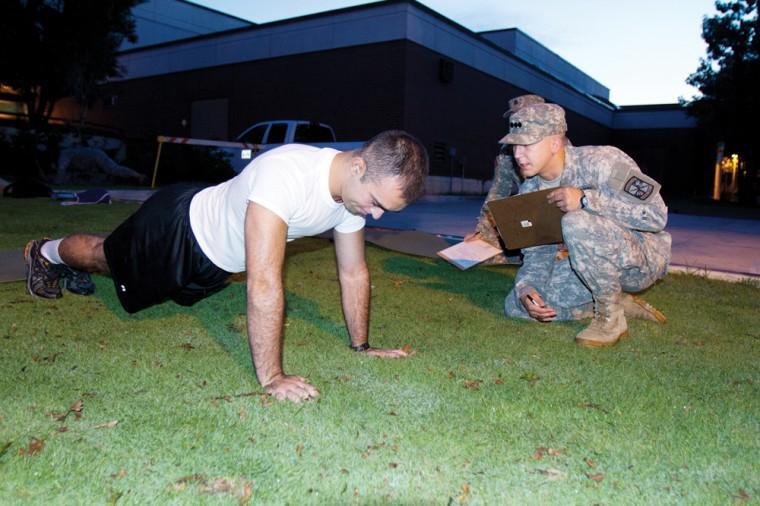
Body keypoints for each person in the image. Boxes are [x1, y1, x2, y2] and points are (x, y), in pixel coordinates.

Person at [24, 130, 429, 401]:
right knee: (105, 258)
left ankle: (62, 258)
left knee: (165, 291)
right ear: (358, 167)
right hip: (178, 232)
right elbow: (264, 283)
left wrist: (362, 347)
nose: (375, 216)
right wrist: (272, 378)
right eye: (377, 203)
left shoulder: (351, 199)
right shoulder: (287, 174)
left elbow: (353, 272)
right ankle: (47, 252)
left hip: (215, 263)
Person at [500, 103, 670, 347]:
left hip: (643, 257)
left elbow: (656, 216)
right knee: (517, 306)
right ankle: (610, 299)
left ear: (555, 143)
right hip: (593, 264)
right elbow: (537, 254)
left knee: (576, 222)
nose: (517, 154)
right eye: (514, 145)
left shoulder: (603, 162)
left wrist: (586, 199)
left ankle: (610, 319)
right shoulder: (530, 190)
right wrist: (527, 289)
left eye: (527, 145)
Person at [464, 94, 545, 264]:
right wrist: (482, 233)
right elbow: (497, 194)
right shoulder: (508, 152)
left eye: (523, 116)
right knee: (485, 255)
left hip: (558, 221)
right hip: (527, 218)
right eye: (514, 118)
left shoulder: (558, 149)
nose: (517, 122)